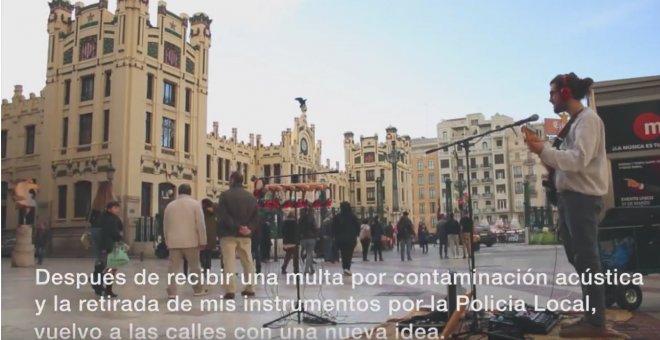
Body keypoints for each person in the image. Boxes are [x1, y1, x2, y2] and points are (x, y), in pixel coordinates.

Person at [526, 72, 607, 338]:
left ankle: (595, 323)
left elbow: (577, 160)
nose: (549, 99)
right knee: (579, 259)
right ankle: (591, 318)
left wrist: (543, 151)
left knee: (587, 259)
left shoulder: (588, 121)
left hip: (582, 199)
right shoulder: (574, 123)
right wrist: (544, 154)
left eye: (552, 93)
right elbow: (565, 161)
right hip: (571, 199)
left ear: (565, 92)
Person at [217, 171, 258, 299]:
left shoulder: (225, 195)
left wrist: (236, 226)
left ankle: (230, 290)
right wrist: (249, 228)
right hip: (245, 235)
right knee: (248, 262)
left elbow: (223, 216)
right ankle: (250, 288)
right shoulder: (251, 197)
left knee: (229, 262)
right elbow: (256, 217)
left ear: (232, 180)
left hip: (229, 234)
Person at [163, 184, 208, 299]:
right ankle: (198, 289)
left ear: (179, 192)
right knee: (195, 267)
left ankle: (172, 291)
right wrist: (203, 241)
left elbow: (165, 225)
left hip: (174, 242)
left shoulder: (170, 206)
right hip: (191, 241)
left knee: (172, 268)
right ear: (190, 192)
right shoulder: (195, 205)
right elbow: (200, 224)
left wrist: (167, 240)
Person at [88, 181, 115, 296]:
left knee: (99, 258)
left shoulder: (95, 203)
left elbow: (89, 219)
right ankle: (100, 284)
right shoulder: (110, 203)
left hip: (95, 231)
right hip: (106, 232)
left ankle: (97, 283)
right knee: (108, 261)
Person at [96, 201, 124, 298]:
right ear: (109, 209)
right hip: (110, 246)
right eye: (115, 208)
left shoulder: (103, 217)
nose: (117, 210)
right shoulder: (112, 219)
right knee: (110, 269)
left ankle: (103, 287)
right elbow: (115, 232)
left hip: (104, 246)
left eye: (118, 208)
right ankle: (107, 289)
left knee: (106, 268)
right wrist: (120, 238)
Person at [332, 202, 360, 276]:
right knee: (349, 253)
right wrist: (356, 234)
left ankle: (345, 267)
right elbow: (358, 226)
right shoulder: (353, 217)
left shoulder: (337, 217)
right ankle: (347, 268)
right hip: (351, 238)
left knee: (343, 253)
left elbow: (333, 228)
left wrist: (335, 236)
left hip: (340, 239)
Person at [299, 207, 319, 274]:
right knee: (309, 254)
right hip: (311, 238)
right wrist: (316, 234)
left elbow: (298, 229)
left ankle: (312, 269)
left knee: (308, 254)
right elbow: (315, 228)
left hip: (303, 239)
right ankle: (306, 270)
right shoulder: (311, 218)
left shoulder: (300, 219)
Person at [200, 198, 217, 278]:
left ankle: (203, 268)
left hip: (203, 236)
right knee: (208, 255)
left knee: (202, 254)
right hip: (212, 236)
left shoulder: (202, 212)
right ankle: (208, 269)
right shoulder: (214, 213)